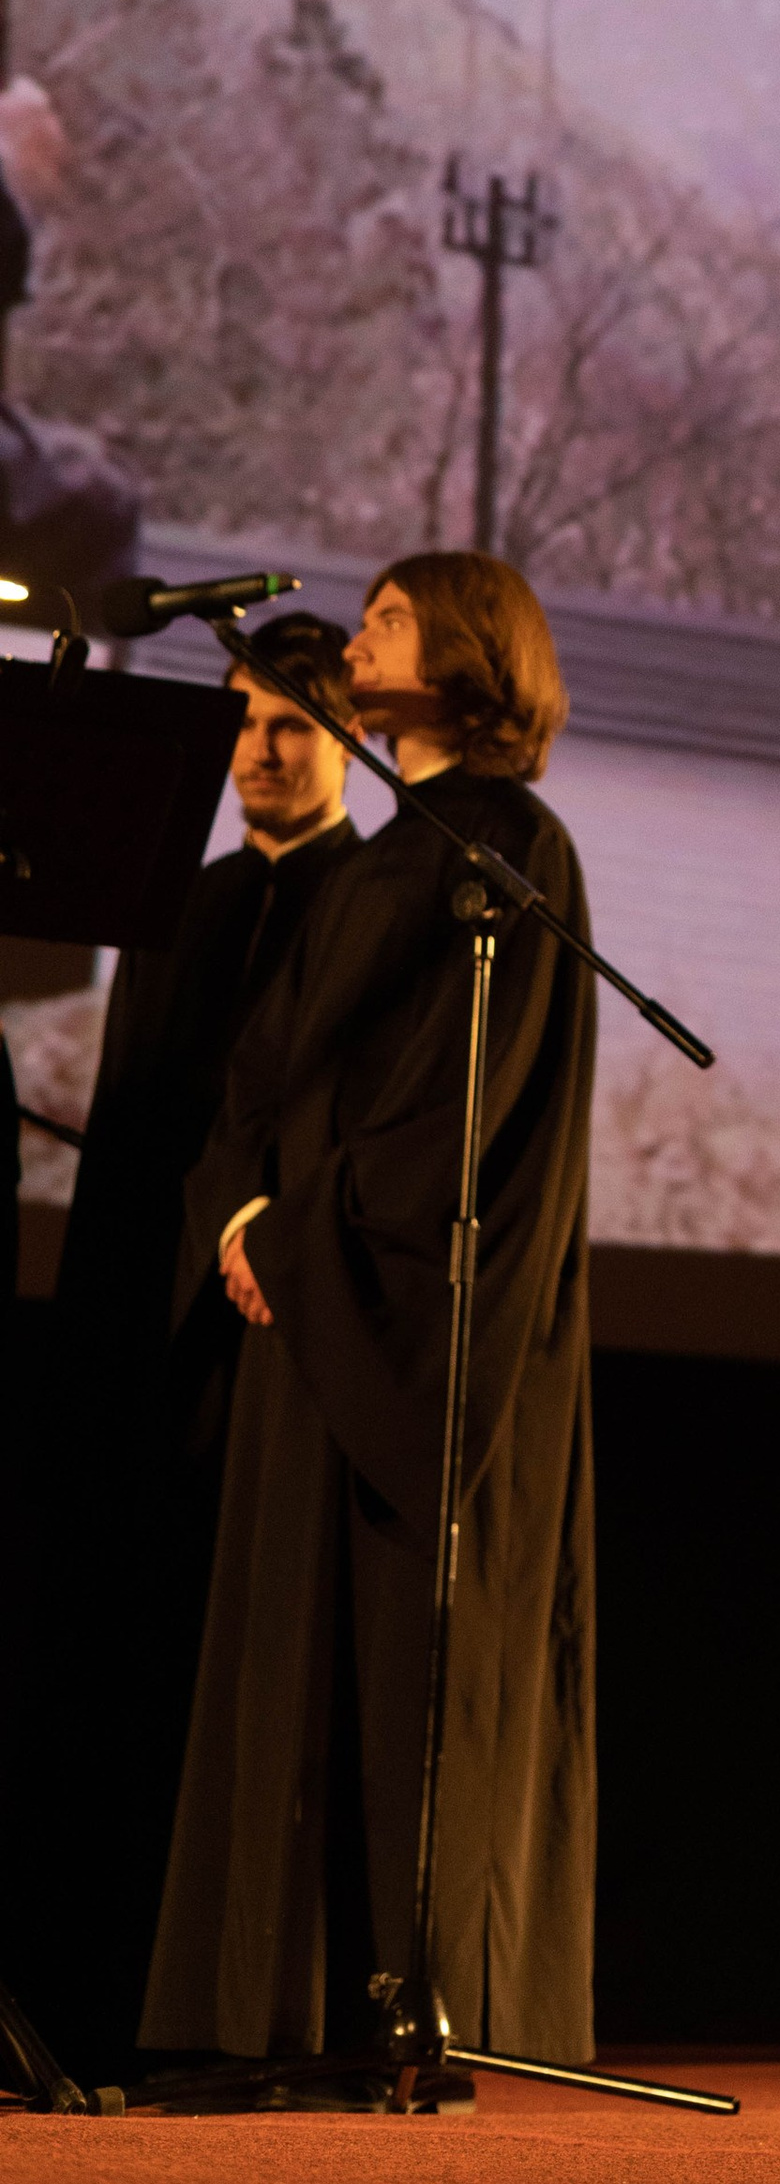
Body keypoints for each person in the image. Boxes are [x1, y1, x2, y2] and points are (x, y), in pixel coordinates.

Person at [141, 553, 598, 2099]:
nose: (361, 640)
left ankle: (402, 2009)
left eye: (391, 619)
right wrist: (240, 1215)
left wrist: (302, 1232)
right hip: (304, 1301)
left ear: (466, 651)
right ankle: (271, 2012)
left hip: (401, 1318)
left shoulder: (509, 853)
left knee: (404, 1665)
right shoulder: (389, 854)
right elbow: (265, 1073)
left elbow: (454, 1115)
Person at [34, 615, 365, 2074]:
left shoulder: (364, 900)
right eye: (242, 723)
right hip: (141, 1340)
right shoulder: (191, 897)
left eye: (291, 725)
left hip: (264, 1339)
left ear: (349, 738)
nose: (258, 754)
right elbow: (129, 1127)